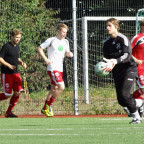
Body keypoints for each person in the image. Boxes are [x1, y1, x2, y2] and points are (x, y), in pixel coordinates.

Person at [102, 18, 143, 124]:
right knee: (121, 100)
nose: (107, 28)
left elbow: (127, 54)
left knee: (125, 94)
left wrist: (115, 61)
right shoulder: (106, 43)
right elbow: (106, 58)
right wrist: (102, 66)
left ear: (116, 27)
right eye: (107, 26)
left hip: (129, 68)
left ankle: (137, 117)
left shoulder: (123, 39)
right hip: (117, 71)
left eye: (109, 26)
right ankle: (138, 102)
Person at [37, 23, 73, 117]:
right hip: (53, 68)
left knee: (54, 88)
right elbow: (40, 48)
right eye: (63, 32)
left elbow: (66, 52)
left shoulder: (65, 42)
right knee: (61, 87)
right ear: (58, 31)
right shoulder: (52, 40)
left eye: (66, 32)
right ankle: (49, 105)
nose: (65, 34)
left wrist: (69, 54)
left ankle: (45, 108)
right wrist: (46, 59)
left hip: (60, 68)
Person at [0, 29, 27, 118]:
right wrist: (8, 65)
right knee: (7, 95)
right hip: (6, 74)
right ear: (12, 37)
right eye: (16, 37)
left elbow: (16, 58)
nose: (17, 39)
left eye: (19, 37)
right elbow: (0, 58)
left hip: (15, 74)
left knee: (17, 93)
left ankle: (8, 112)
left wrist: (21, 62)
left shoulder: (17, 47)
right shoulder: (6, 46)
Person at [129, 19, 144, 117]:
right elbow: (127, 51)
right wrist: (135, 60)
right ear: (142, 26)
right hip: (138, 68)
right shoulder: (137, 37)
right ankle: (134, 104)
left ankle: (134, 104)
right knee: (143, 87)